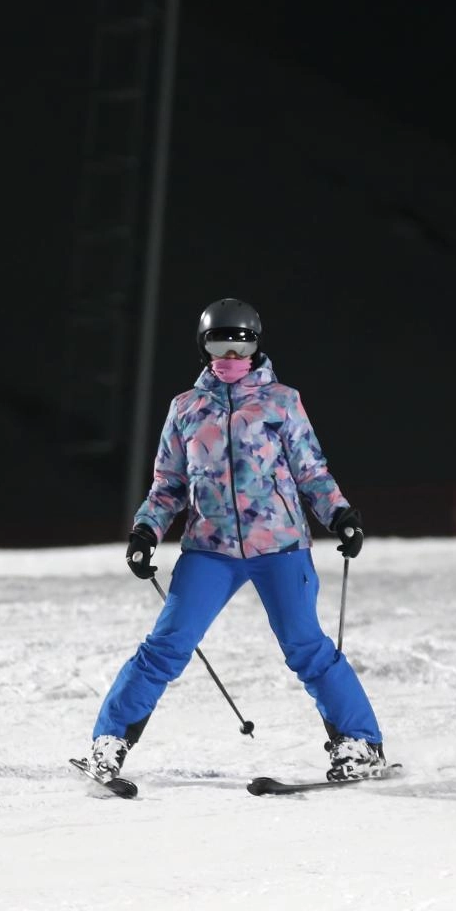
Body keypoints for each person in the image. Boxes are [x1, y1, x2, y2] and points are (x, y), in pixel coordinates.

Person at [83, 297, 387, 785]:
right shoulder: (186, 408)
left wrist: (339, 514)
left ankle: (360, 742)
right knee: (166, 646)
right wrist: (146, 530)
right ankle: (109, 741)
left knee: (305, 646)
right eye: (219, 344)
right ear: (203, 347)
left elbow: (310, 470)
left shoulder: (281, 401)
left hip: (280, 545)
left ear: (255, 346)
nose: (230, 354)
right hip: (210, 549)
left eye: (240, 345)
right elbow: (168, 484)